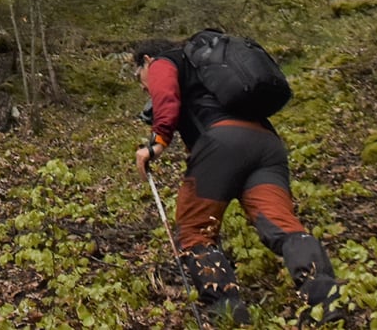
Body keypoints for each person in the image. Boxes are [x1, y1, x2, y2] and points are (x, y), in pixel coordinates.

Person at [134, 35, 342, 325]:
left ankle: (229, 316)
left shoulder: (164, 60)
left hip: (222, 143)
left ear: (146, 61)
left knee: (195, 232)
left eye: (139, 76)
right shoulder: (207, 69)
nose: (143, 85)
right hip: (267, 146)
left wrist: (157, 142)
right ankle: (326, 305)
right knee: (284, 227)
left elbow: (166, 96)